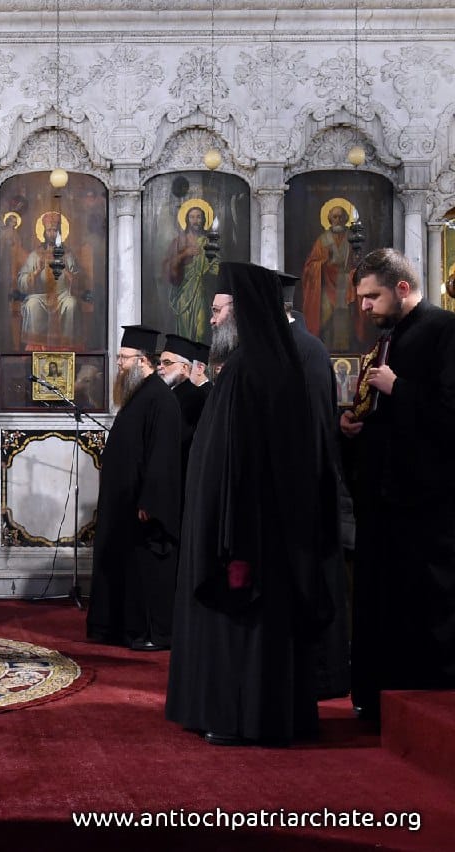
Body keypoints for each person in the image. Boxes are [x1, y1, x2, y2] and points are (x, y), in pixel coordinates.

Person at [166, 262, 331, 746]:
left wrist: (227, 536)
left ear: (244, 312)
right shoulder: (267, 365)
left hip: (243, 531)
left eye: (221, 311)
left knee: (245, 624)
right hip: (259, 528)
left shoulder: (246, 371)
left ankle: (239, 716)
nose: (212, 321)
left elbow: (238, 465)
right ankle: (259, 714)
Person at [340, 248, 455, 721]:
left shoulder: (445, 331)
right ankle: (376, 698)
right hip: (384, 500)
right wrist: (352, 423)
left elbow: (450, 413)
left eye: (371, 297)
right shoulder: (390, 337)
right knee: (379, 601)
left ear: (402, 289)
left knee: (422, 605)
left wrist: (398, 388)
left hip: (426, 505)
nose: (363, 307)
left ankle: (419, 700)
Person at [86, 325, 181, 651]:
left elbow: (163, 456)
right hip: (123, 504)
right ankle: (117, 628)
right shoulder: (139, 395)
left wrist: (150, 501)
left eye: (124, 358)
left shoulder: (160, 398)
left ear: (143, 361)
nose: (119, 364)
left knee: (145, 571)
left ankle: (149, 632)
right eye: (119, 357)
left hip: (142, 507)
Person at [280, 272, 351, 700]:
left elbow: (312, 430)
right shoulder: (294, 349)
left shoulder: (305, 351)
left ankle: (323, 677)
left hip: (306, 495)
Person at [12, 211, 83, 348]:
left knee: (72, 304)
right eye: (49, 230)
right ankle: (36, 347)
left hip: (63, 296)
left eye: (55, 230)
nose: (52, 233)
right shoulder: (35, 255)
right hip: (41, 296)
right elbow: (22, 281)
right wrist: (36, 272)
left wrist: (65, 270)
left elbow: (78, 281)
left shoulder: (67, 255)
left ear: (59, 233)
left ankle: (67, 346)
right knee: (32, 304)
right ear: (44, 232)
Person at [301, 204, 360, 351]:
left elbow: (357, 263)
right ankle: (325, 352)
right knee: (325, 318)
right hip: (326, 286)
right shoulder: (323, 240)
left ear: (346, 219)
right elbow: (309, 266)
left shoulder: (352, 238)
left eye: (341, 216)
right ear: (329, 219)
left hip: (345, 285)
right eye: (334, 217)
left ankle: (343, 353)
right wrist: (323, 263)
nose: (338, 220)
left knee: (344, 321)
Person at [163, 204, 217, 342]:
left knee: (201, 331)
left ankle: (199, 362)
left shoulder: (208, 241)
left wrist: (213, 265)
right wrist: (184, 253)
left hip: (201, 290)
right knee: (185, 331)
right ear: (187, 220)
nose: (195, 220)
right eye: (192, 217)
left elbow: (215, 266)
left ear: (204, 220)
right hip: (183, 291)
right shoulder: (178, 241)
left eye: (198, 217)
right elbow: (169, 266)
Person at [158, 333, 207, 479]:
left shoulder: (195, 396)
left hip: (182, 473)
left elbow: (183, 439)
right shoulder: (168, 394)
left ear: (184, 368)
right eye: (159, 362)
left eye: (167, 363)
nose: (160, 368)